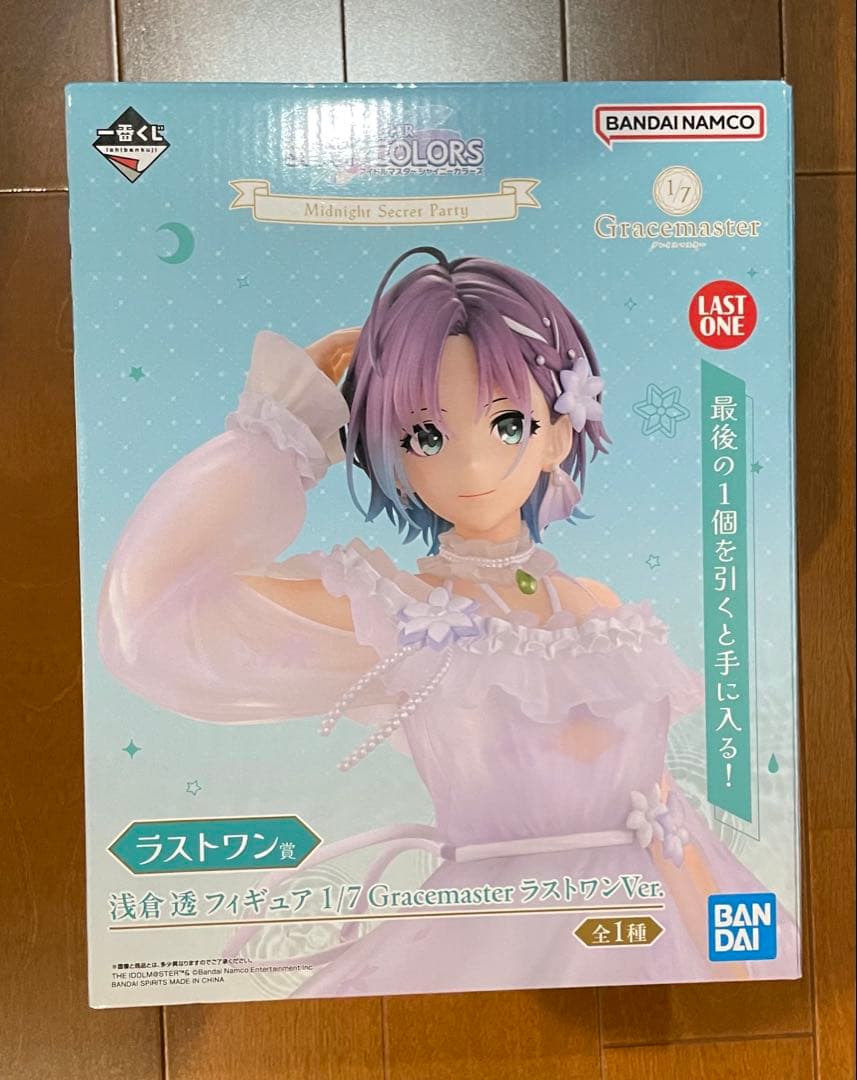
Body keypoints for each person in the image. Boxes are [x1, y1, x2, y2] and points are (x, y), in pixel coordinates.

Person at [99, 246, 798, 995]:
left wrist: (734, 953)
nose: (470, 467)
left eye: (508, 423)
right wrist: (285, 426)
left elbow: (663, 813)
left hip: (651, 927)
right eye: (426, 436)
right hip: (492, 936)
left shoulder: (604, 610)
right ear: (392, 455)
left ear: (559, 432)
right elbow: (154, 612)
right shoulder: (393, 610)